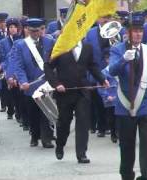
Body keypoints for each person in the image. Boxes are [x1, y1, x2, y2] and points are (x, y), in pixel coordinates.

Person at [109, 12, 147, 180]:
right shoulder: (118, 49)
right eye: (134, 31)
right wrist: (123, 60)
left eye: (140, 31)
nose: (138, 34)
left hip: (146, 104)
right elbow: (111, 71)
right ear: (127, 32)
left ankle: (146, 176)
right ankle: (127, 176)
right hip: (125, 104)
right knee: (126, 145)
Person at [44, 34, 109, 163]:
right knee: (64, 123)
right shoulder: (60, 46)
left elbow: (92, 66)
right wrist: (56, 84)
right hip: (65, 92)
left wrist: (102, 79)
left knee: (83, 122)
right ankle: (60, 144)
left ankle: (81, 153)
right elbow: (48, 67)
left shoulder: (87, 47)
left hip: (82, 91)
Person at [11, 18, 55, 148]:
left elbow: (54, 61)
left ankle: (46, 138)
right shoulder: (20, 45)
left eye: (38, 31)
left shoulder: (50, 41)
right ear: (28, 31)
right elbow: (19, 66)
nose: (36, 34)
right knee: (33, 113)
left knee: (46, 111)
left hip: (46, 83)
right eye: (32, 31)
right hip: (30, 83)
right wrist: (23, 81)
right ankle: (35, 136)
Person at [0, 18, 22, 120]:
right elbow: (3, 57)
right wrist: (5, 70)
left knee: (18, 93)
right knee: (9, 92)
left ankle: (19, 113)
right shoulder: (3, 42)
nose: (12, 29)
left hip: (18, 69)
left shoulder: (21, 40)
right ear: (8, 29)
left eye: (14, 27)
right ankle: (10, 110)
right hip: (7, 69)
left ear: (17, 28)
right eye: (10, 27)